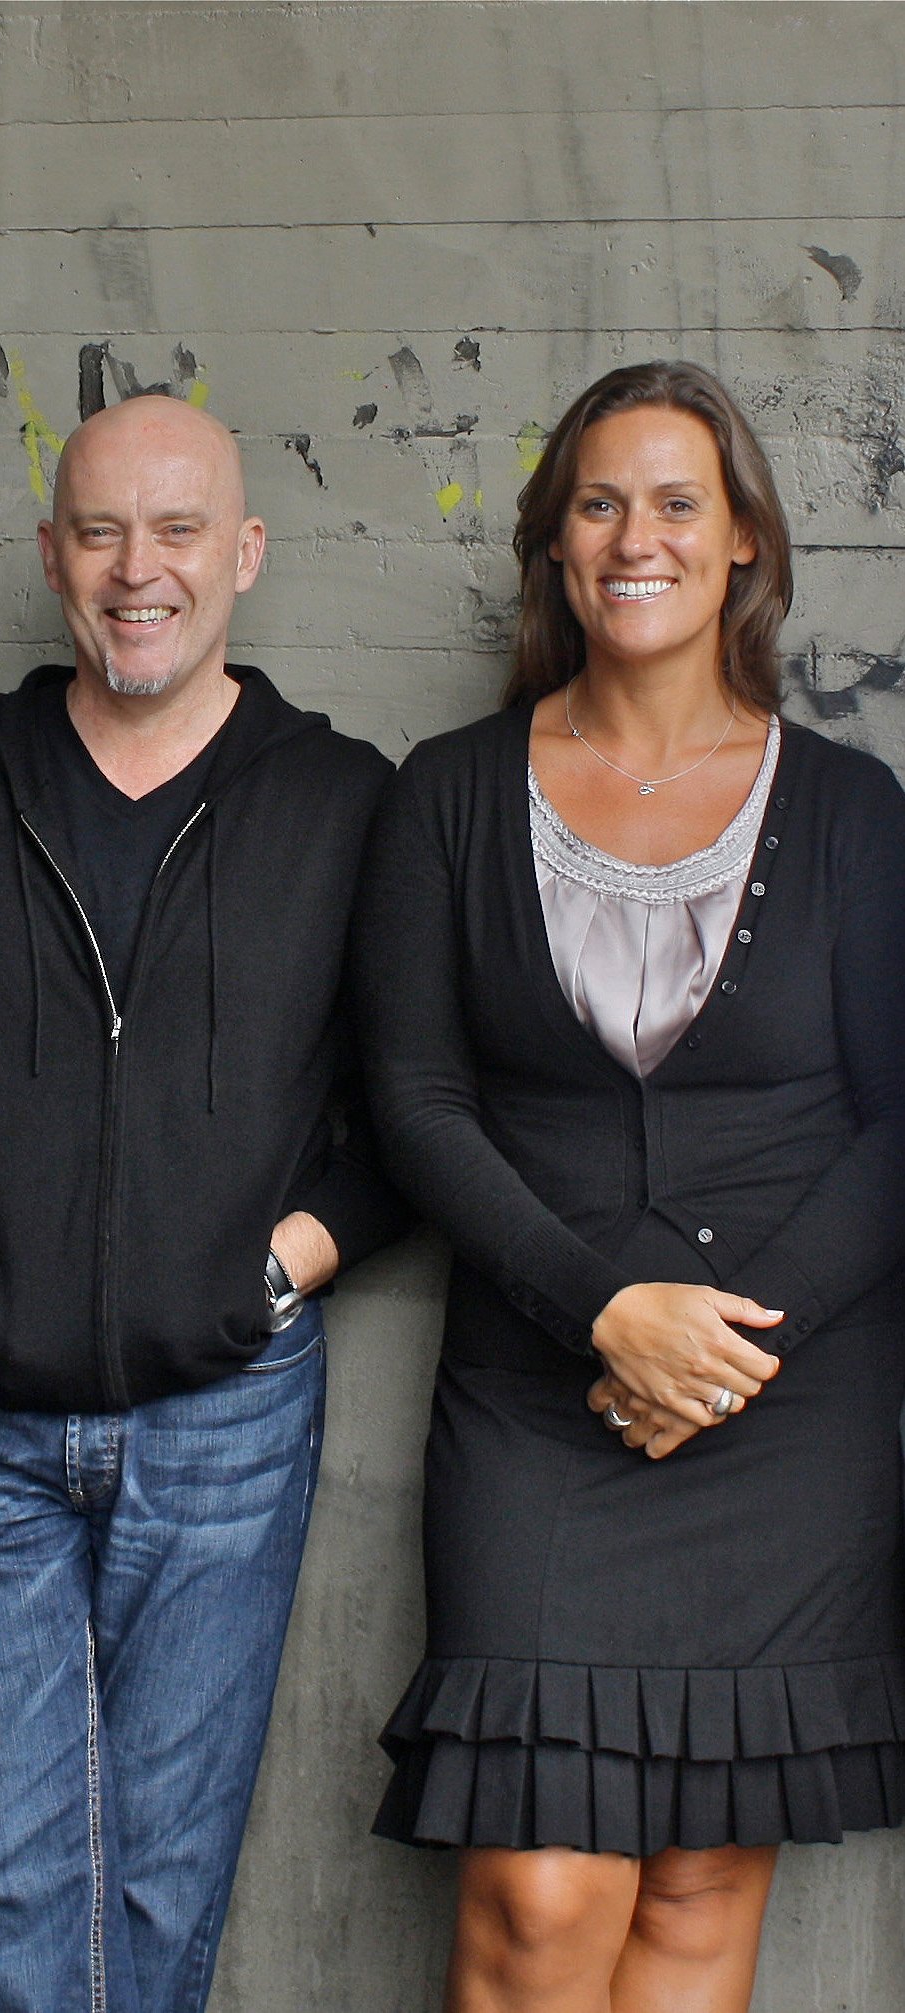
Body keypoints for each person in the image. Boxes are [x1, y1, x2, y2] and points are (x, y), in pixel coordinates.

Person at [0, 394, 406, 2013]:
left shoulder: (340, 801)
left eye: (176, 530)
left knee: (162, 1879)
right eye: (101, 532)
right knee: (11, 1882)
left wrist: (272, 1276)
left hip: (228, 1417)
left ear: (242, 552)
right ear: (51, 554)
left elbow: (416, 1100)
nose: (138, 570)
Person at [358, 360, 905, 2012]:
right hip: (537, 1396)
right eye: (597, 503)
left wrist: (725, 1352)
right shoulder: (446, 793)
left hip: (784, 1411)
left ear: (742, 540)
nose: (633, 537)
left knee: (695, 1885)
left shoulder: (852, 810)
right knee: (539, 1894)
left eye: (675, 502)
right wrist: (601, 1311)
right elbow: (412, 1100)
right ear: (553, 540)